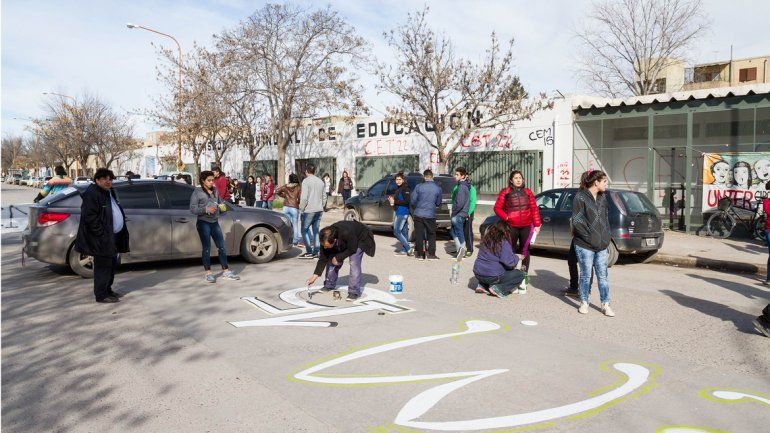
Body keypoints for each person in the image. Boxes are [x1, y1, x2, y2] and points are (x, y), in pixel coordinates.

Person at [75, 168, 129, 303]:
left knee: (111, 265)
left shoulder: (109, 192)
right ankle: (101, 295)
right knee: (102, 267)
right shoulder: (92, 194)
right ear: (97, 180)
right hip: (102, 239)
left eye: (110, 179)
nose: (108, 181)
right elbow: (90, 218)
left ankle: (108, 290)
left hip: (113, 236)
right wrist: (102, 234)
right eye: (104, 179)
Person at [571, 170, 614, 316]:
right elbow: (577, 222)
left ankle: (605, 304)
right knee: (585, 275)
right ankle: (584, 302)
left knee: (603, 276)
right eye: (604, 181)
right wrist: (590, 238)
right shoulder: (580, 197)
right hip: (585, 245)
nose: (605, 184)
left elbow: (606, 219)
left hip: (602, 245)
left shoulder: (603, 198)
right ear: (596, 182)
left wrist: (606, 237)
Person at [493, 170, 542, 294]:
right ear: (511, 180)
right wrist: (507, 217)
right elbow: (497, 208)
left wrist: (537, 224)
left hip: (527, 226)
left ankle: (523, 279)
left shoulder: (528, 192)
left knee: (525, 252)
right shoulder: (505, 192)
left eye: (520, 177)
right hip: (511, 227)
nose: (519, 180)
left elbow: (534, 209)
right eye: (516, 178)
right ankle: (510, 278)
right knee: (510, 252)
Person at [189, 170, 240, 283]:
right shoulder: (197, 192)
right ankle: (208, 273)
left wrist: (223, 207)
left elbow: (220, 202)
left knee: (221, 247)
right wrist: (205, 209)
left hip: (214, 222)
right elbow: (192, 209)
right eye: (209, 180)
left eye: (213, 180)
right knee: (206, 248)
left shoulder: (215, 191)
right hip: (203, 223)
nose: (212, 182)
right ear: (203, 181)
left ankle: (226, 271)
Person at [305, 221, 375, 302]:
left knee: (354, 261)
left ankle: (354, 291)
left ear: (334, 241)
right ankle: (329, 285)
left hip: (360, 238)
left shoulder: (346, 232)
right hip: (345, 240)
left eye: (327, 246)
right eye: (324, 245)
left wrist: (339, 257)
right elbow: (323, 258)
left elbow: (352, 249)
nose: (325, 247)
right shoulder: (324, 237)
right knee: (331, 258)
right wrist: (314, 277)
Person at [473, 220, 526, 298]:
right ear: (505, 232)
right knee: (520, 275)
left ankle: (482, 285)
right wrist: (517, 257)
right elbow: (509, 262)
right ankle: (499, 289)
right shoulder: (503, 242)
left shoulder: (485, 240)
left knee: (488, 267)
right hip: (492, 276)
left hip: (478, 273)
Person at [565, 171, 594, 298]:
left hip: (587, 233)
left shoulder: (591, 196)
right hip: (578, 233)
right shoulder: (581, 194)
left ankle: (584, 289)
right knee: (573, 260)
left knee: (585, 262)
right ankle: (575, 287)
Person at [410, 169, 443, 260]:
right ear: (432, 177)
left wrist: (417, 207)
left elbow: (413, 200)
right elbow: (438, 202)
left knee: (419, 234)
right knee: (431, 234)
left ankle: (420, 254)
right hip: (430, 215)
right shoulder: (438, 188)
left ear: (424, 177)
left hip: (418, 214)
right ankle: (431, 254)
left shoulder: (418, 187)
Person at [299, 163, 326, 259]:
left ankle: (309, 251)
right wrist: (321, 206)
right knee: (316, 231)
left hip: (309, 210)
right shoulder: (320, 181)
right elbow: (324, 197)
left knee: (304, 230)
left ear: (306, 171)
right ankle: (316, 251)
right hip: (319, 209)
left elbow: (304, 198)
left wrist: (301, 209)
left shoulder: (306, 181)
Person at [452, 173, 477, 258]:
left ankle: (469, 249)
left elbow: (473, 202)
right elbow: (454, 199)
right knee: (457, 231)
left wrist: (468, 213)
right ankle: (460, 249)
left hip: (467, 213)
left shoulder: (471, 188)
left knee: (467, 231)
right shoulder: (456, 187)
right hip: (458, 213)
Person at [389, 172, 413, 256]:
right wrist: (393, 202)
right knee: (404, 231)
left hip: (403, 213)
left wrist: (395, 201)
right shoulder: (398, 188)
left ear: (403, 180)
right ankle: (404, 250)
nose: (398, 181)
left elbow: (407, 202)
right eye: (397, 179)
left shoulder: (405, 188)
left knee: (396, 231)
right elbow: (398, 201)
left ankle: (409, 248)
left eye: (400, 179)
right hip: (399, 211)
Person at [450, 167, 471, 260]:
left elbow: (460, 203)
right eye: (456, 174)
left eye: (457, 174)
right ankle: (460, 251)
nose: (455, 176)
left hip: (459, 214)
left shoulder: (462, 186)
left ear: (462, 176)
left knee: (459, 232)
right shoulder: (463, 185)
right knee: (454, 232)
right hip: (461, 213)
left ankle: (462, 250)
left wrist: (453, 211)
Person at [276, 173, 302, 246]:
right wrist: (297, 202)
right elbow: (300, 197)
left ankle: (286, 239)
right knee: (295, 225)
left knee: (287, 224)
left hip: (286, 206)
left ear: (290, 179)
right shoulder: (299, 187)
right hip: (294, 207)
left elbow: (277, 191)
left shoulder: (286, 186)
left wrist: (284, 196)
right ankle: (295, 241)